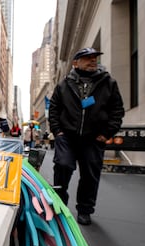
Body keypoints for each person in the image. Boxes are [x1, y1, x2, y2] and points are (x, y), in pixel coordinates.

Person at [48, 47, 124, 225]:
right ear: (76, 63)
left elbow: (117, 110)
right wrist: (57, 131)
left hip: (93, 138)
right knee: (62, 165)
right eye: (87, 58)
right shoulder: (64, 84)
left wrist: (106, 133)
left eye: (94, 58)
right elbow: (54, 109)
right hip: (67, 136)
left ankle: (84, 210)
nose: (92, 61)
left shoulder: (108, 83)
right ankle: (59, 203)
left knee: (90, 174)